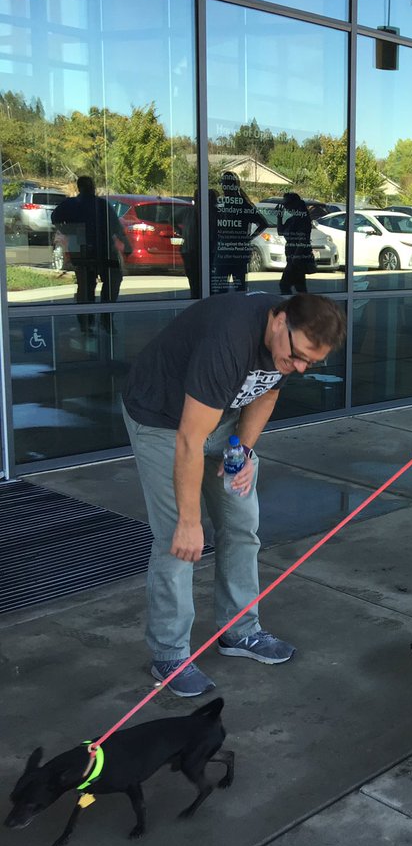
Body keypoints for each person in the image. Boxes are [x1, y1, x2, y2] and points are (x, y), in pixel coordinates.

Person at [121, 292, 347, 696]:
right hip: (162, 419)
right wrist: (191, 522)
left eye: (310, 363)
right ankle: (170, 654)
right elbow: (190, 439)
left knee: (242, 525)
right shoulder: (228, 340)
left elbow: (268, 391)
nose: (298, 368)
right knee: (178, 540)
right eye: (297, 356)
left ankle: (239, 631)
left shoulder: (286, 346)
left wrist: (241, 450)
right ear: (278, 321)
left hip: (219, 417)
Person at [50, 176, 132, 333]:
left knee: (93, 285)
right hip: (91, 250)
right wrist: (71, 231)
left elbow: (115, 227)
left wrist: (69, 231)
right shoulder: (81, 204)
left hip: (96, 250)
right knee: (97, 285)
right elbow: (116, 228)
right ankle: (95, 321)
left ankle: (94, 320)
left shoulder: (92, 204)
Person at [210, 171, 267, 294]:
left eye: (224, 184)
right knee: (237, 290)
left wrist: (248, 238)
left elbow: (263, 223)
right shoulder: (242, 204)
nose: (223, 187)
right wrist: (248, 238)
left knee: (222, 291)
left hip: (228, 252)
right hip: (235, 252)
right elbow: (262, 223)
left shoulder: (234, 204)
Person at [277, 192, 315, 295]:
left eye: (287, 204)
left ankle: (295, 306)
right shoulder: (291, 220)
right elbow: (280, 232)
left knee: (285, 284)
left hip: (297, 259)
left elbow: (302, 239)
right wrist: (279, 217)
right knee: (300, 286)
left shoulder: (303, 219)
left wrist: (295, 258)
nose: (285, 207)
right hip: (292, 256)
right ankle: (303, 307)